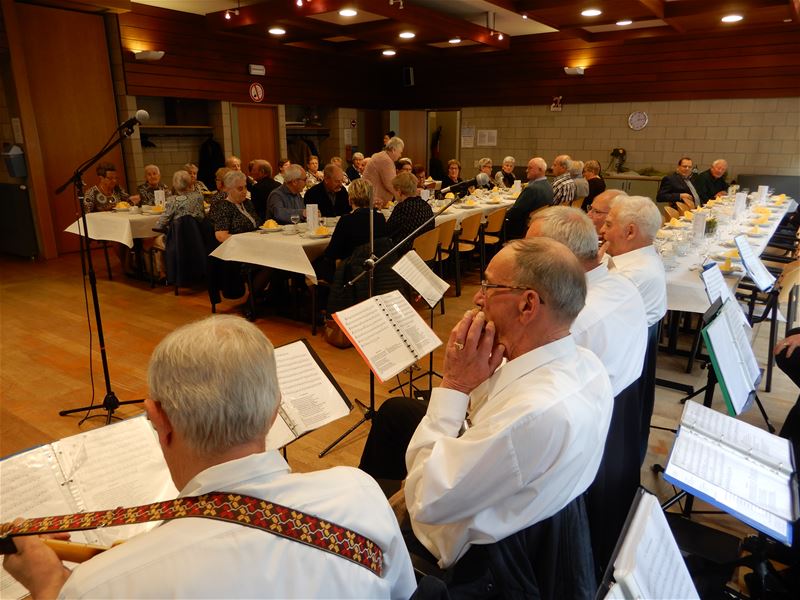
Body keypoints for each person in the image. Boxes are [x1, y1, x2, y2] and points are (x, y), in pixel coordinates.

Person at [3, 315, 417, 598]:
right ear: (275, 410)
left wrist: (49, 586)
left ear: (158, 419)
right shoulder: (360, 493)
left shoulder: (101, 587)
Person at [360, 238, 612, 596]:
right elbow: (483, 420)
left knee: (355, 496)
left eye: (489, 286)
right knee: (397, 414)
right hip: (515, 515)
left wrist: (454, 384)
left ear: (528, 304)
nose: (478, 298)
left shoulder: (533, 414)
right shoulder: (589, 365)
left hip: (465, 558)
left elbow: (423, 502)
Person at [526, 206, 648, 573]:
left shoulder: (572, 321)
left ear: (558, 258)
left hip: (569, 460)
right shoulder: (622, 286)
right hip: (618, 440)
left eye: (530, 251)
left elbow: (516, 397)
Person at [601, 195, 667, 464]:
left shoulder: (631, 275)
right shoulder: (638, 260)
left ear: (630, 231)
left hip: (618, 377)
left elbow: (585, 322)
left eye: (607, 223)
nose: (602, 230)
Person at [314, 179, 387, 283]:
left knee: (313, 264)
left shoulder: (347, 220)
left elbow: (332, 253)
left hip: (350, 270)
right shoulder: (380, 217)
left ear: (350, 199)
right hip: (374, 268)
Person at [504, 157, 553, 239]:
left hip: (522, 227)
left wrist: (500, 216)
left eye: (530, 168)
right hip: (540, 223)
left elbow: (515, 212)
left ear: (540, 170)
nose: (526, 170)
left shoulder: (532, 188)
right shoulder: (548, 185)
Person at [386, 172, 434, 254]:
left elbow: (388, 231)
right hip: (426, 251)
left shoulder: (402, 208)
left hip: (407, 253)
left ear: (399, 191)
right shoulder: (426, 205)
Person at [209, 170, 259, 243]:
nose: (245, 191)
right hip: (235, 248)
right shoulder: (223, 206)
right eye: (240, 189)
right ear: (228, 189)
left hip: (254, 242)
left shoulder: (247, 203)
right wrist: (246, 240)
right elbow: (221, 236)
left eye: (245, 187)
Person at [363, 136, 404, 209]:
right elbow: (391, 184)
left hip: (370, 198)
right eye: (400, 152)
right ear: (393, 150)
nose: (400, 155)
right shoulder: (386, 160)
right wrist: (403, 198)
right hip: (375, 201)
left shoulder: (382, 156)